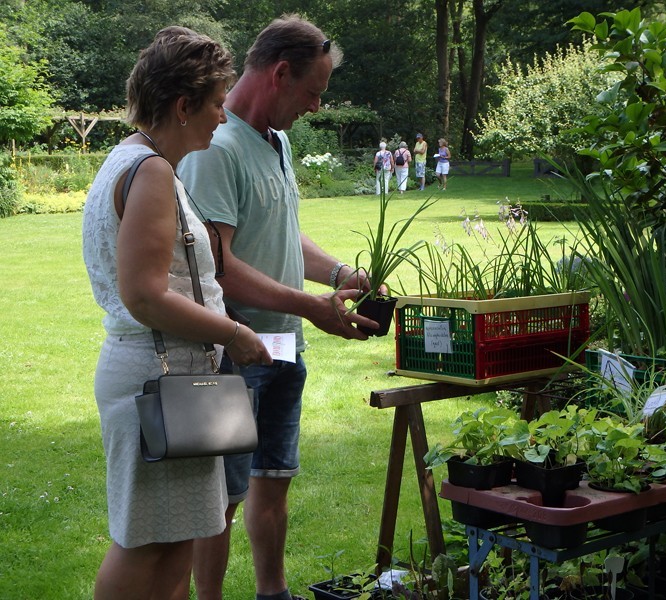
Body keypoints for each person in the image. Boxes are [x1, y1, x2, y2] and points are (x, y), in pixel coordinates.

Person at [177, 14, 380, 600]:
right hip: (231, 352)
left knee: (273, 480)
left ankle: (274, 593)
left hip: (283, 344)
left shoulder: (277, 141)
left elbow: (282, 231)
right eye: (312, 92)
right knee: (219, 498)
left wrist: (340, 275)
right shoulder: (216, 147)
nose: (315, 106)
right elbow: (219, 266)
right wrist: (312, 306)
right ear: (281, 73)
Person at [82, 27, 271, 600]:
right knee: (146, 544)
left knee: (176, 541)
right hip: (159, 379)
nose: (223, 115)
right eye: (216, 103)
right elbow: (144, 295)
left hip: (169, 379)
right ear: (184, 105)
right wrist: (234, 332)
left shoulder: (135, 160)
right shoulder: (152, 171)